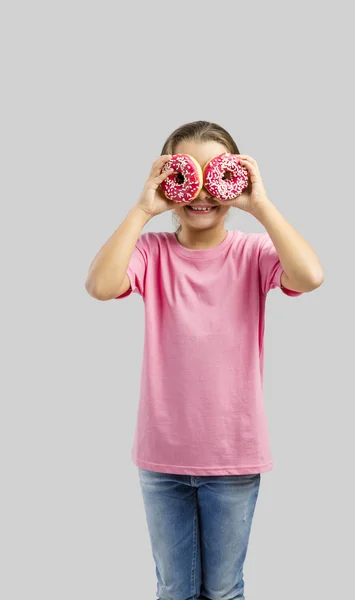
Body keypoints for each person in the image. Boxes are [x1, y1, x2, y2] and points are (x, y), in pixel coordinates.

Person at [85, 120, 324, 600]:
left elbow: (310, 275)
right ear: (166, 181)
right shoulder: (151, 253)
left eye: (214, 177)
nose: (201, 194)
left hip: (233, 455)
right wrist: (142, 208)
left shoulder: (254, 253)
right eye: (184, 176)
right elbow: (100, 286)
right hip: (163, 457)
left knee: (223, 590)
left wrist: (260, 204)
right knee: (174, 590)